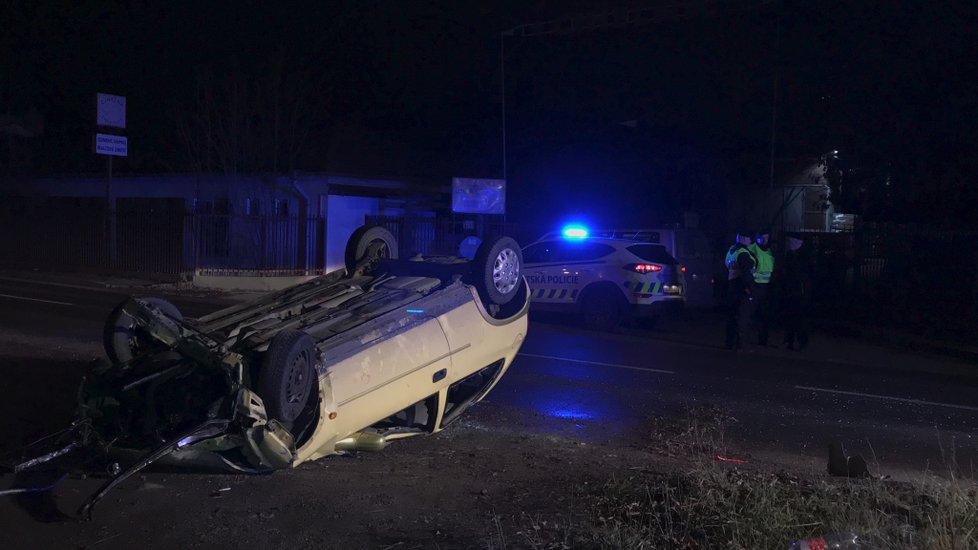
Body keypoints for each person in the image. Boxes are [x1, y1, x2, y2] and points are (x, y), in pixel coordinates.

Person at [780, 233, 814, 350]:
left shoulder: (802, 256)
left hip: (800, 293)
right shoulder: (791, 255)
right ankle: (789, 341)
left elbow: (803, 276)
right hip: (792, 291)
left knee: (800, 319)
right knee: (790, 318)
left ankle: (801, 342)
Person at [724, 229, 756, 351]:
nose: (750, 241)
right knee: (742, 317)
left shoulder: (732, 250)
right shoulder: (743, 252)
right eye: (749, 239)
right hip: (740, 286)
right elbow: (746, 273)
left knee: (732, 316)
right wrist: (749, 289)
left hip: (731, 285)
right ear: (744, 238)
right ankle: (742, 345)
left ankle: (730, 343)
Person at [748, 230, 775, 346]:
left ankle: (763, 340)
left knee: (764, 316)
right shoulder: (751, 249)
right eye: (762, 238)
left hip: (766, 288)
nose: (765, 240)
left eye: (767, 238)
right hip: (754, 286)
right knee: (751, 315)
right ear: (757, 238)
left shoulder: (769, 251)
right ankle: (747, 339)